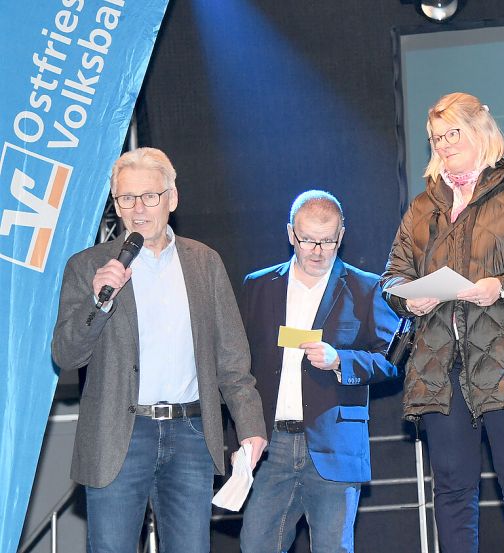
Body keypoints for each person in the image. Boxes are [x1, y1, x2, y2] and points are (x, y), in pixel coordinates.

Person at [382, 92, 504, 553]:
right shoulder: (421, 209)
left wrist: (502, 286)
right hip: (440, 367)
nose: (444, 145)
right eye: (436, 138)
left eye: (453, 134)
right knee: (451, 488)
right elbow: (393, 277)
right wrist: (409, 299)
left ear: (480, 133)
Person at [51, 147, 267, 553]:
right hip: (119, 435)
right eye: (126, 198)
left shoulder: (204, 262)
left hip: (191, 434)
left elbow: (233, 360)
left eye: (149, 196)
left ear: (172, 198)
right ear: (115, 203)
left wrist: (251, 426)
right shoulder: (88, 267)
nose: (137, 209)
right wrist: (99, 302)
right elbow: (66, 355)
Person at [238, 190, 400, 553]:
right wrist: (244, 431)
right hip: (271, 444)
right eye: (308, 239)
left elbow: (391, 359)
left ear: (341, 236)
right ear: (290, 234)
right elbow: (238, 366)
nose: (317, 250)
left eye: (327, 241)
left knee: (333, 548)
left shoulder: (366, 287)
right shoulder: (258, 286)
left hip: (335, 443)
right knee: (255, 545)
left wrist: (341, 360)